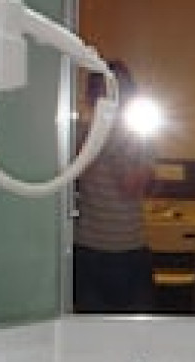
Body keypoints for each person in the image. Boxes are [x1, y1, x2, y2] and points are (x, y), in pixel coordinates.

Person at [73, 60, 155, 313]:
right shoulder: (81, 134)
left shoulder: (138, 135)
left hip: (123, 246)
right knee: (94, 326)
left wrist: (115, 143)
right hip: (94, 246)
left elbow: (131, 186)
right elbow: (75, 179)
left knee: (131, 327)